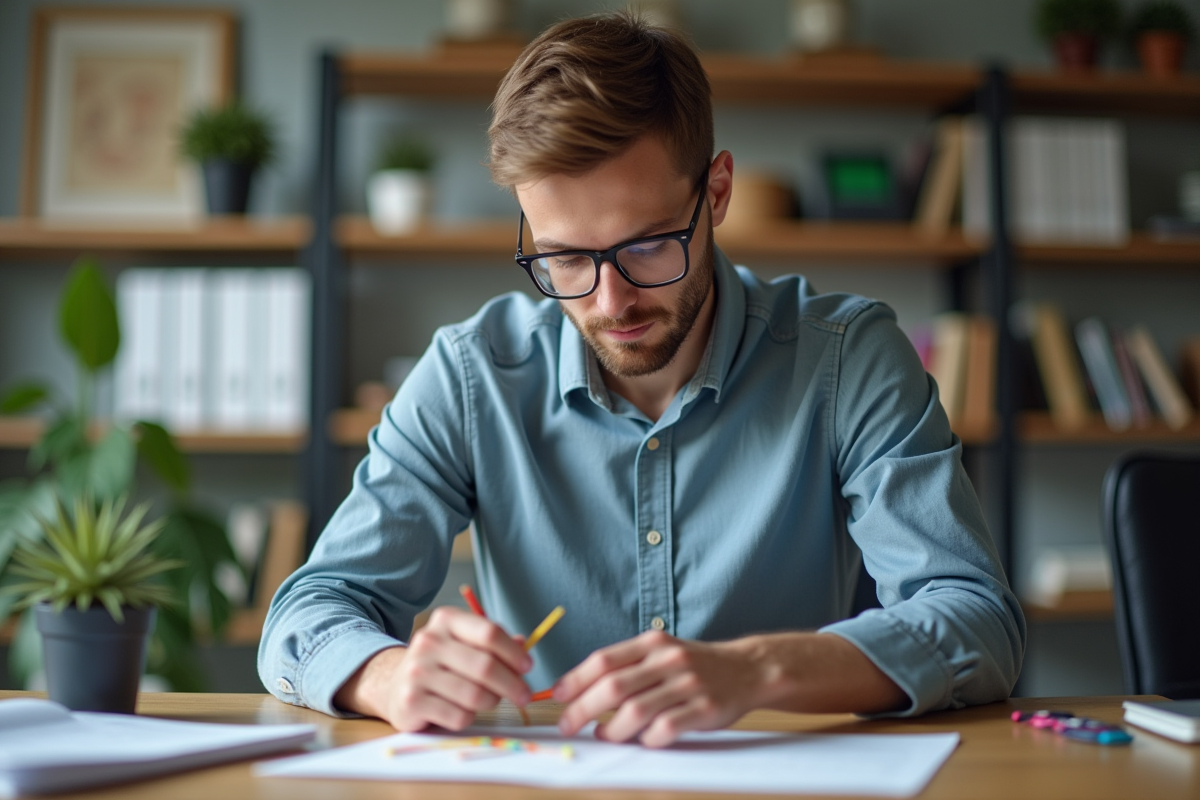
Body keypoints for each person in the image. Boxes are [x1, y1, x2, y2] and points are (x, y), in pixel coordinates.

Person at [259, 11, 1025, 748]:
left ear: (716, 193)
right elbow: (308, 612)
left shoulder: (846, 357)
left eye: (649, 246)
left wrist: (753, 671)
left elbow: (976, 619)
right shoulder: (471, 376)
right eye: (565, 258)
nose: (609, 300)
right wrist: (392, 677)